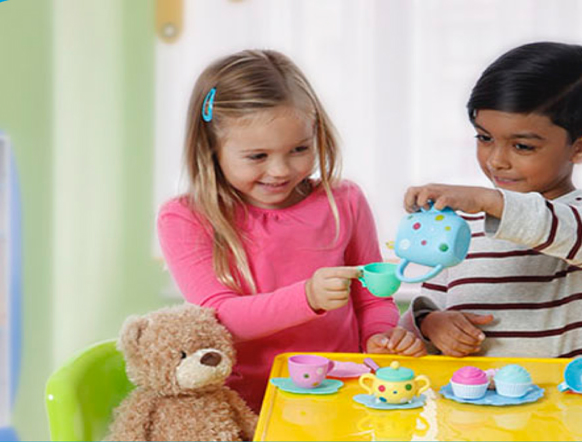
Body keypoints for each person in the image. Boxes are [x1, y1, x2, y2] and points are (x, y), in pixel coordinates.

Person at [158, 49, 425, 411]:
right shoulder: (187, 218)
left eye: (299, 149)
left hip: (341, 394)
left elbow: (371, 296)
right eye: (258, 156)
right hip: (243, 406)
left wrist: (380, 336)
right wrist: (308, 298)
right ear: (211, 149)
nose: (281, 170)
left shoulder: (343, 200)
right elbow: (220, 319)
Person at [400, 42, 582, 360]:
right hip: (473, 402)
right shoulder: (458, 224)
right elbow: (428, 313)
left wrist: (490, 201)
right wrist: (431, 324)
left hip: (570, 404)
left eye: (521, 146)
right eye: (484, 138)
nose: (496, 161)